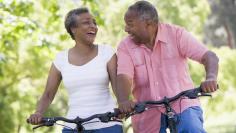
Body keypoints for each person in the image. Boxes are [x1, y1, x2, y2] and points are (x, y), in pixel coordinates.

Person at [116, 1, 219, 133]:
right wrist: (124, 100)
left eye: (130, 24)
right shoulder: (125, 46)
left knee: (191, 127)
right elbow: (124, 76)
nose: (126, 29)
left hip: (183, 104)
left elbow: (209, 56)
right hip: (147, 110)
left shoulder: (176, 34)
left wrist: (211, 77)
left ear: (148, 24)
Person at [27, 7, 123, 133]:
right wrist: (38, 113)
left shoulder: (106, 52)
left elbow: (117, 86)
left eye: (94, 22)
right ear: (73, 29)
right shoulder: (61, 59)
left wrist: (123, 103)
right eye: (86, 22)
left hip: (107, 124)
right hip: (73, 126)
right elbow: (48, 94)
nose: (93, 26)